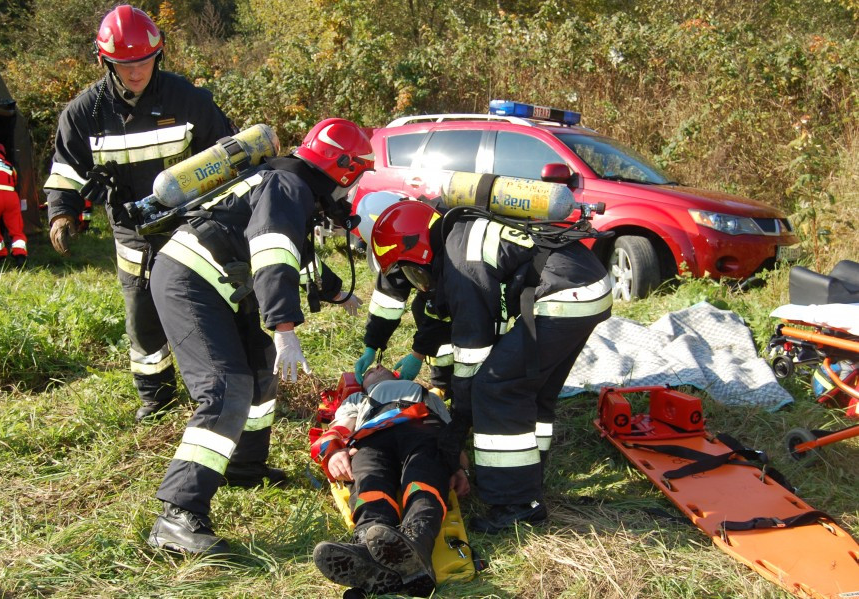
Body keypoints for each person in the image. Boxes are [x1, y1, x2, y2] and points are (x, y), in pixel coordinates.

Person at [146, 117, 371, 556]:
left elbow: (292, 257)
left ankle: (245, 466)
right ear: (344, 168)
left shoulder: (291, 184)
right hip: (190, 280)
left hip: (223, 284)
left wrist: (337, 291)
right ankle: (177, 514)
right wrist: (284, 329)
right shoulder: (289, 188)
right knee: (225, 388)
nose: (354, 188)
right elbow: (272, 253)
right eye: (357, 175)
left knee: (259, 373)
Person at [370, 201, 612, 533]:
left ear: (422, 247)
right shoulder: (457, 236)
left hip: (564, 295)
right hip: (589, 285)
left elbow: (474, 348)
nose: (418, 283)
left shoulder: (460, 263)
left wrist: (459, 424)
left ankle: (515, 503)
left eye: (414, 271)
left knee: (496, 387)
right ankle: (528, 474)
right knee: (531, 387)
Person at [43, 5, 235, 422]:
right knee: (142, 314)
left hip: (190, 225)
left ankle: (218, 386)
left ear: (158, 56)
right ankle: (157, 397)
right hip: (131, 233)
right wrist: (62, 214)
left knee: (205, 304)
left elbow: (227, 154)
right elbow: (64, 172)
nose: (136, 72)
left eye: (144, 61)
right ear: (105, 61)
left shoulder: (188, 100)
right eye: (125, 64)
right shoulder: (83, 113)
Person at [311, 365, 469, 596]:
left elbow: (451, 433)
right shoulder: (358, 398)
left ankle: (417, 540)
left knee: (423, 481)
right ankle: (369, 545)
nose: (377, 365)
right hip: (372, 437)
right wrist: (335, 452)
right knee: (370, 485)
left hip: (423, 429)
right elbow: (340, 427)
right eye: (368, 371)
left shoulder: (425, 393)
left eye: (379, 366)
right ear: (364, 384)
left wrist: (459, 467)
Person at [351, 192, 453, 394]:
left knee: (429, 312)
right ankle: (443, 383)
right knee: (421, 308)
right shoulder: (400, 236)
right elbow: (388, 297)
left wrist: (418, 354)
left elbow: (444, 303)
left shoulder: (442, 226)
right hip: (440, 290)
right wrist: (372, 345)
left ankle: (451, 384)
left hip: (465, 290)